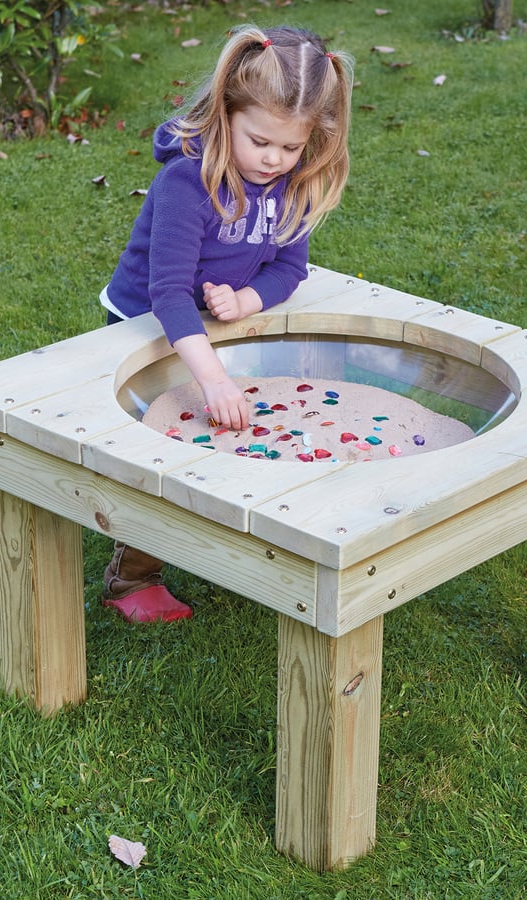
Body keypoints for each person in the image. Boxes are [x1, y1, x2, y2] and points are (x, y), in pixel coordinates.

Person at [99, 24, 353, 624]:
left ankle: (234, 532)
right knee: (155, 445)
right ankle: (133, 575)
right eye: (260, 141)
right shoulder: (187, 181)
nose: (274, 160)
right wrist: (213, 380)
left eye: (291, 148)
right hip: (140, 324)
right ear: (224, 115)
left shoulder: (293, 182)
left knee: (225, 430)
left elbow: (290, 267)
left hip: (213, 323)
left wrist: (247, 298)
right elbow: (167, 293)